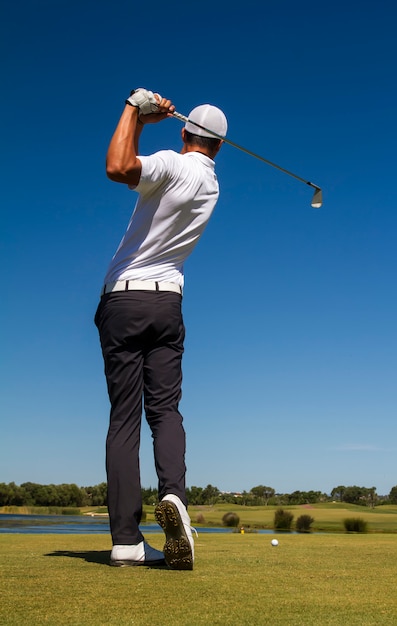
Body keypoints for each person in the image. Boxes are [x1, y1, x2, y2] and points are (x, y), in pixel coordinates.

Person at [94, 87, 227, 569]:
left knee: (124, 419)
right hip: (169, 303)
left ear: (185, 131)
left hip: (125, 297)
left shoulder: (173, 162)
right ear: (220, 147)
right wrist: (151, 125)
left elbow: (118, 167)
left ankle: (126, 541)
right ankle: (176, 502)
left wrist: (134, 110)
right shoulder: (211, 185)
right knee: (166, 412)